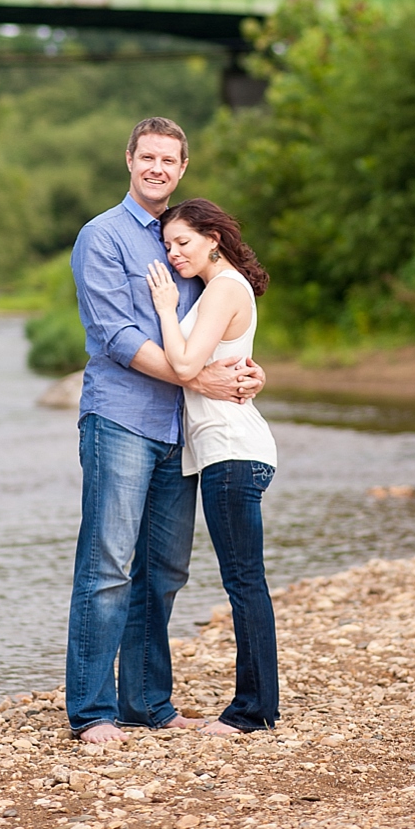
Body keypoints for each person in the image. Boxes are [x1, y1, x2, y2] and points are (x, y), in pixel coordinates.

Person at [66, 118, 267, 743]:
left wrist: (249, 371)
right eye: (146, 156)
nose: (157, 167)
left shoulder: (187, 239)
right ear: (128, 159)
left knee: (164, 570)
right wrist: (199, 380)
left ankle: (148, 703)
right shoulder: (101, 237)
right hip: (122, 418)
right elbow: (116, 338)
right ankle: (93, 711)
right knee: (107, 565)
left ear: (182, 168)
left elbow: (224, 321)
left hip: (180, 431)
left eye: (168, 159)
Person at [145, 197, 279, 735]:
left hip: (231, 449)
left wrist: (162, 306)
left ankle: (252, 712)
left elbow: (182, 364)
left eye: (184, 242)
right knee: (244, 580)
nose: (174, 253)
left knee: (244, 582)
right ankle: (257, 706)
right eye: (168, 245)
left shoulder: (222, 288)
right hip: (229, 450)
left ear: (213, 239)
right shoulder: (218, 288)